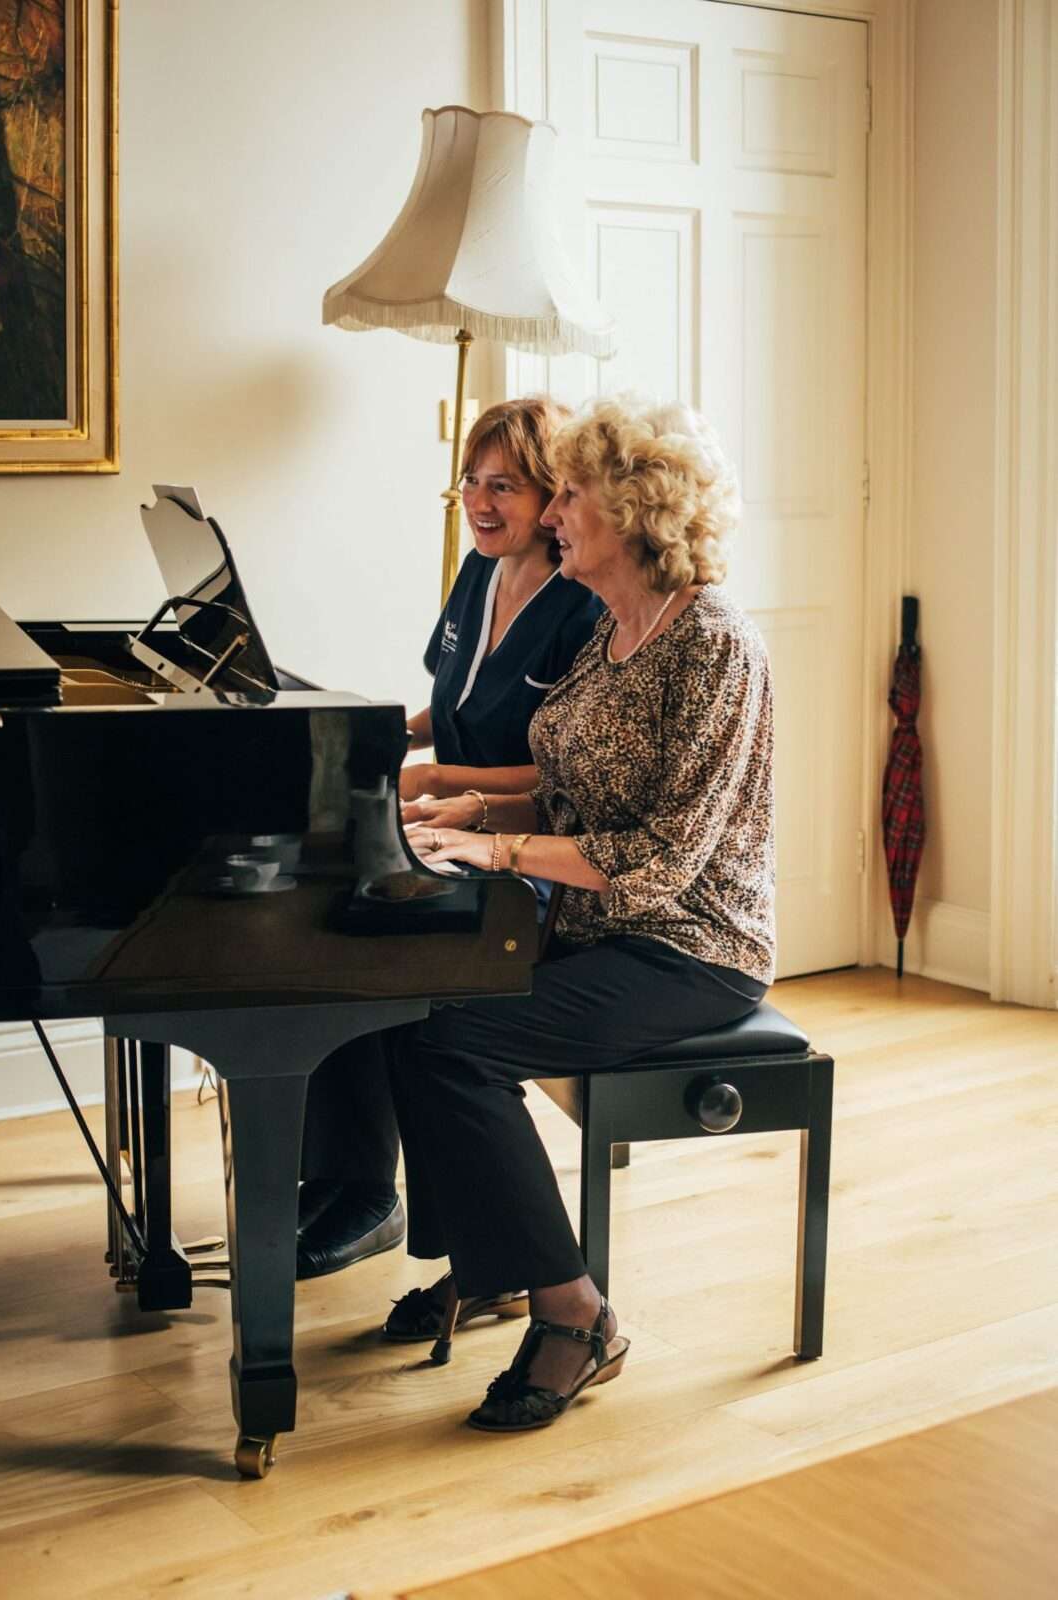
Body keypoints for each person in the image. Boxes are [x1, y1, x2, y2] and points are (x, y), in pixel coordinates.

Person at [386, 395, 775, 1431]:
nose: (550, 511)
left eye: (568, 493)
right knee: (395, 1001)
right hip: (596, 924)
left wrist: (497, 846)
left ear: (636, 509)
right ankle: (499, 1258)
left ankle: (573, 1316)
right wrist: (467, 807)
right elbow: (567, 790)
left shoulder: (713, 646)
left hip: (690, 948)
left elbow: (657, 861)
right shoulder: (611, 627)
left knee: (452, 1044)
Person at [295, 397, 604, 1280]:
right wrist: (384, 741)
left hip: (528, 856)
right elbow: (456, 704)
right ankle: (342, 1179)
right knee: (327, 913)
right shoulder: (481, 570)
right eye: (471, 480)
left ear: (553, 497)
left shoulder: (582, 604)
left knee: (373, 937)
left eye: (502, 485)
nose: (477, 500)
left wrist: (436, 784)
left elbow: (567, 779)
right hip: (449, 828)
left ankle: (374, 1198)